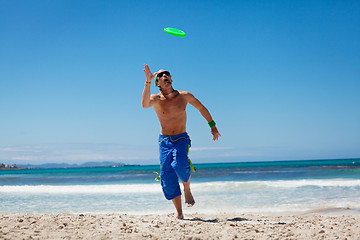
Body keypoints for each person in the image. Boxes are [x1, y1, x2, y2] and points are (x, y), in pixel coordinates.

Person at [142, 64, 221, 219]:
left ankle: (187, 189)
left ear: (171, 79)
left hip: (181, 138)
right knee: (167, 175)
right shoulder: (156, 99)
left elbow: (201, 108)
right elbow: (144, 105)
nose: (165, 76)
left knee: (179, 163)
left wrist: (212, 126)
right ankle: (179, 213)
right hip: (164, 141)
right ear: (157, 82)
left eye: (167, 74)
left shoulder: (184, 96)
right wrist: (147, 82)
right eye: (161, 75)